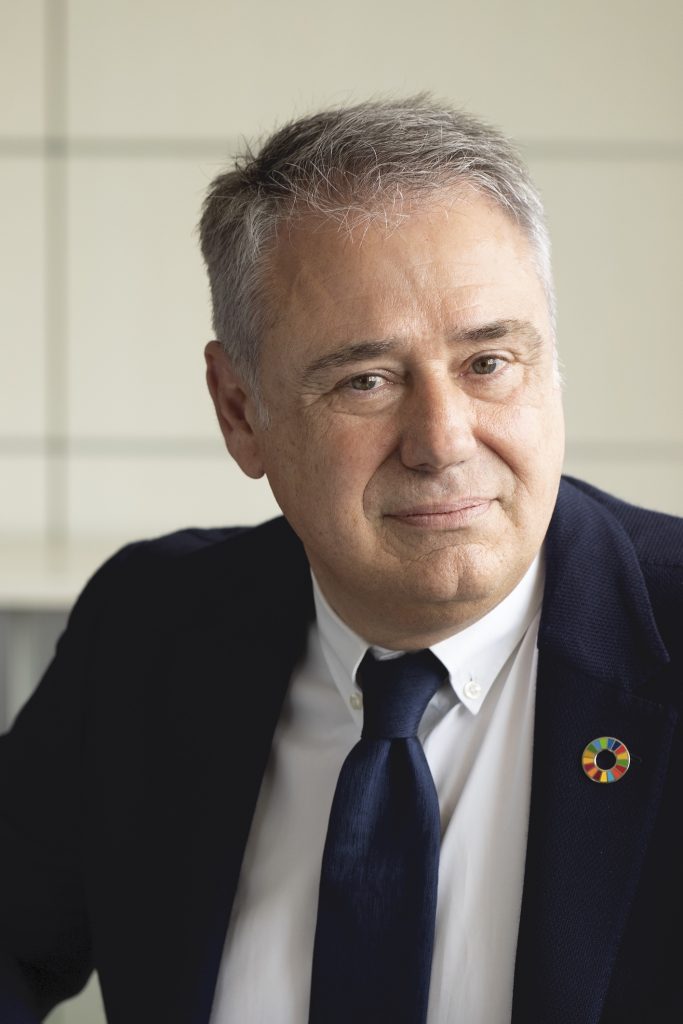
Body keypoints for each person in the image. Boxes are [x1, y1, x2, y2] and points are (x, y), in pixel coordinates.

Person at [1, 97, 681, 1024]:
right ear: (240, 411)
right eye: (366, 380)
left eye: (487, 362)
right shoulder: (149, 629)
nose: (442, 441)